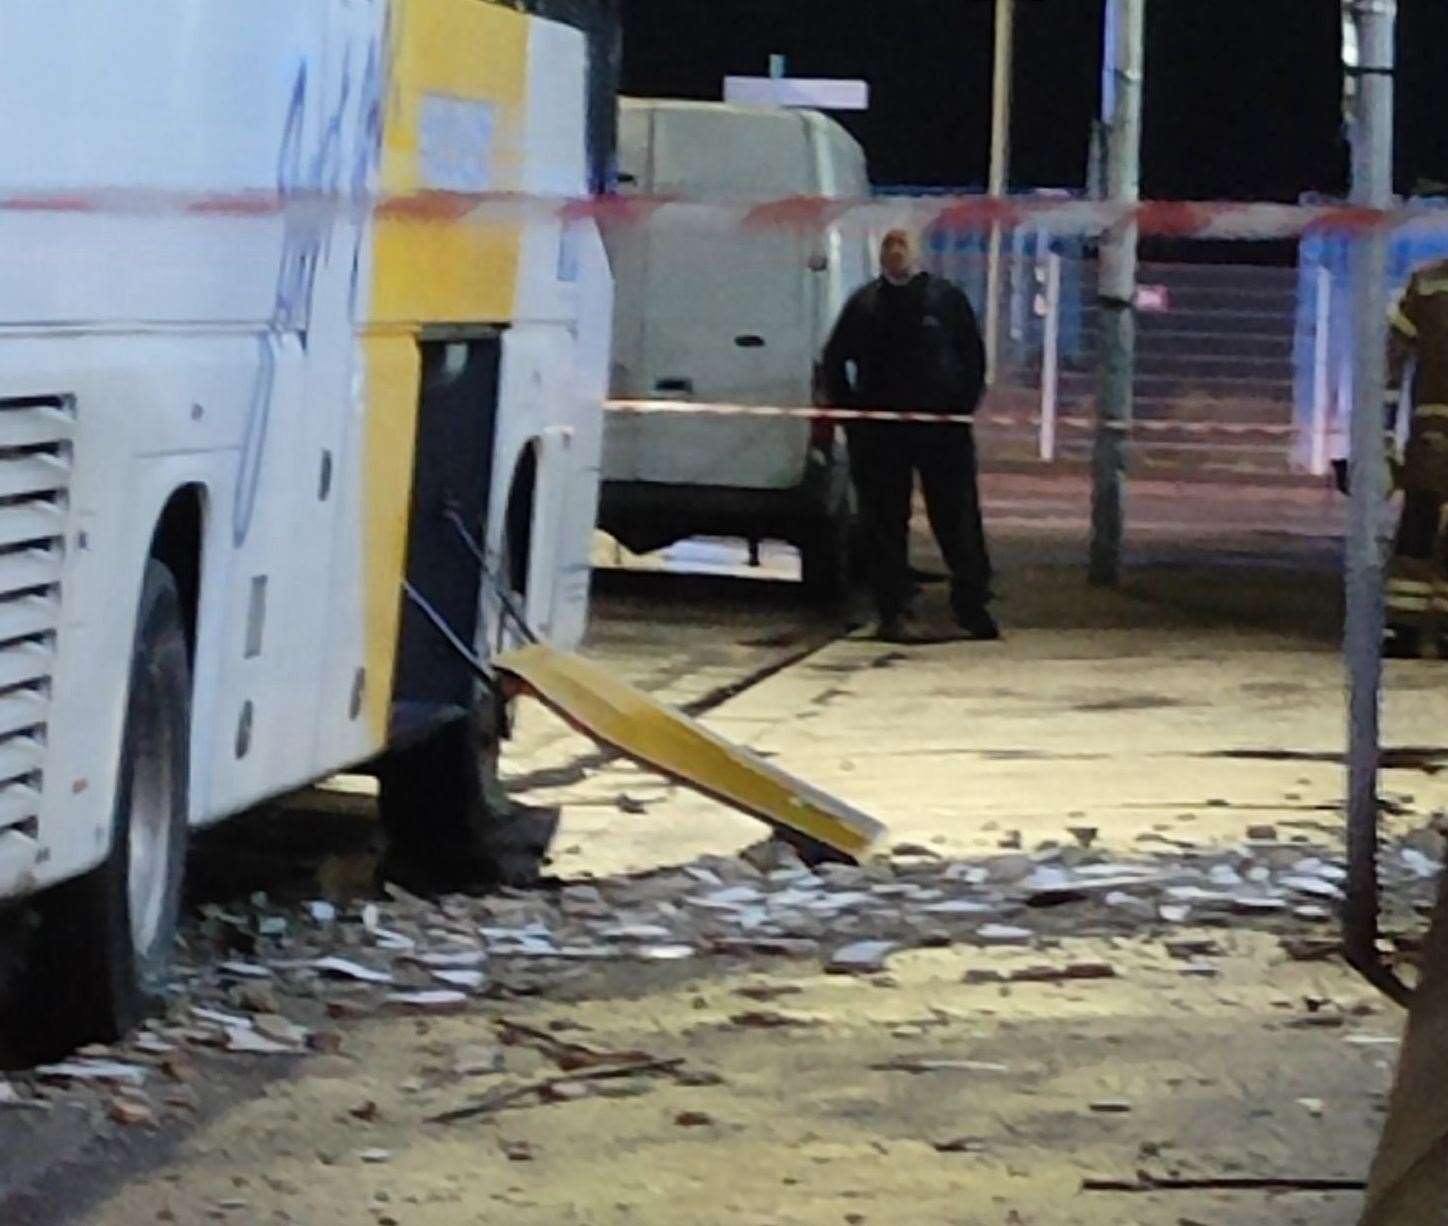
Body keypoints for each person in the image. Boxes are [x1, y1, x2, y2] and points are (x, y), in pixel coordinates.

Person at [820, 228, 997, 641]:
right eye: (888, 246)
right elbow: (834, 360)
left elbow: (972, 357)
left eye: (902, 245)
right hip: (881, 435)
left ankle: (971, 605)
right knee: (883, 521)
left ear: (916, 253)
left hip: (941, 432)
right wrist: (853, 416)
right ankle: (892, 608)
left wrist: (959, 412)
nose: (895, 253)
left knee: (956, 517)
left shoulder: (945, 300)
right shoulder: (865, 305)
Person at [1384, 257, 1448, 658]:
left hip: (1431, 431)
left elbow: (1390, 359)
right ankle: (1408, 626)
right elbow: (1390, 359)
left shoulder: (1427, 284)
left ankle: (1407, 629)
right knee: (1419, 521)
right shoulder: (1427, 283)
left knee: (1419, 521)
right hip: (1432, 432)